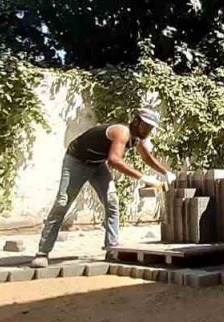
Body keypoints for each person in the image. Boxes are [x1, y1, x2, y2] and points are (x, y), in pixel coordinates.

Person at [32, 110, 168, 268]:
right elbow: (114, 160)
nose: (149, 130)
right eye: (147, 126)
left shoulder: (138, 138)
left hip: (97, 164)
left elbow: (146, 158)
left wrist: (166, 172)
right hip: (77, 161)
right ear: (137, 122)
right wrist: (143, 178)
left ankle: (112, 248)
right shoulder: (122, 132)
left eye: (151, 128)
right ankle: (42, 252)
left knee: (112, 201)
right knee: (63, 203)